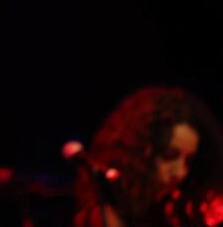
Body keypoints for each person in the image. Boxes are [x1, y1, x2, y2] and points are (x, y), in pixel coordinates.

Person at [73, 86, 223, 227]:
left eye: (189, 161)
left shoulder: (174, 211)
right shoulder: (102, 215)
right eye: (169, 155)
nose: (180, 173)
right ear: (138, 152)